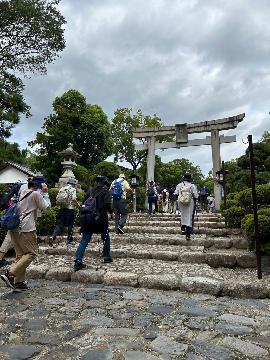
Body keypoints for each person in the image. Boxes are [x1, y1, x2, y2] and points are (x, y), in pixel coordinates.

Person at [0, 177, 50, 290]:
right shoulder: (36, 194)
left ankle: (19, 282)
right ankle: (10, 274)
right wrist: (46, 194)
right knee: (32, 253)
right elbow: (46, 207)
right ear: (40, 185)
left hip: (14, 227)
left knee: (20, 255)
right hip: (26, 228)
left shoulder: (22, 192)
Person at [74, 175, 113, 271]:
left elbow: (83, 205)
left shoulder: (90, 191)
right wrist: (111, 212)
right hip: (101, 218)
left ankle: (78, 260)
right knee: (105, 236)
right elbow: (107, 204)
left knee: (85, 239)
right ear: (105, 182)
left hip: (88, 218)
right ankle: (106, 256)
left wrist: (81, 222)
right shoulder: (105, 191)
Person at [49, 178, 79, 246]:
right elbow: (74, 199)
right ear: (73, 184)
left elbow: (57, 198)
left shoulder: (62, 188)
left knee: (59, 224)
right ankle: (69, 240)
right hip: (69, 209)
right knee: (70, 225)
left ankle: (53, 236)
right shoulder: (73, 189)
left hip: (61, 209)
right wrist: (78, 206)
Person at [174, 173, 198, 240]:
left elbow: (176, 194)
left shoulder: (179, 185)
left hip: (181, 202)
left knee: (183, 215)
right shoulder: (192, 185)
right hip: (190, 202)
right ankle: (188, 234)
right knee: (189, 217)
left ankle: (183, 228)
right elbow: (196, 195)